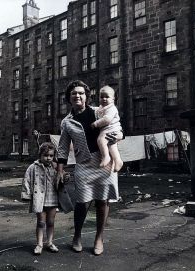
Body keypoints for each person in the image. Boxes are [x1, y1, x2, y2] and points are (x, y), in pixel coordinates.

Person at [56, 80, 122, 256]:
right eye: (73, 93)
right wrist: (60, 171)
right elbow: (62, 147)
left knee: (103, 201)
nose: (77, 95)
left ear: (86, 96)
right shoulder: (67, 122)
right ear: (69, 98)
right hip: (84, 164)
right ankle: (76, 236)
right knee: (82, 203)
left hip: (104, 161)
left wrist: (120, 135)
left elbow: (115, 125)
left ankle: (99, 238)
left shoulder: (98, 112)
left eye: (81, 93)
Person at [21, 142, 60, 255]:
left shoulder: (55, 167)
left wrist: (64, 177)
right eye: (46, 155)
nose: (48, 158)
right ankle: (39, 244)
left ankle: (50, 242)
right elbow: (26, 180)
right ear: (40, 155)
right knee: (41, 222)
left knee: (51, 222)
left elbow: (61, 180)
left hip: (52, 198)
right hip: (40, 199)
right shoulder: (33, 167)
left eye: (51, 156)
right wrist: (26, 195)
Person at [91, 85, 123, 172]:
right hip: (110, 130)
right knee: (112, 146)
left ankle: (106, 157)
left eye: (107, 97)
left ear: (113, 99)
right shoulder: (102, 108)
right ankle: (118, 161)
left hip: (111, 129)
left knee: (101, 140)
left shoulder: (112, 108)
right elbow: (96, 110)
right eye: (101, 97)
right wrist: (90, 108)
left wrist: (96, 123)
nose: (104, 99)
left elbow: (107, 119)